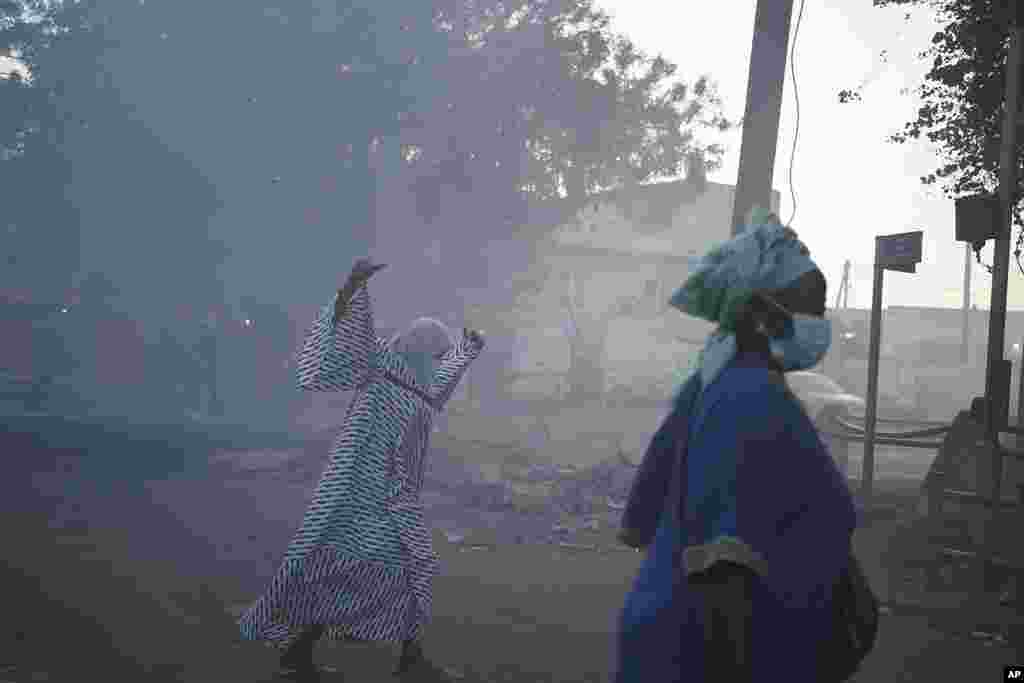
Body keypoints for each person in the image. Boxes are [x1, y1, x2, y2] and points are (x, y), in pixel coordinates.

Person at [615, 208, 859, 683]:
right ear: (767, 315)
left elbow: (641, 520)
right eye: (813, 307)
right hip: (704, 659)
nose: (822, 322)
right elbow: (724, 573)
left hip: (664, 643)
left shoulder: (713, 382)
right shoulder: (751, 398)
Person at [237, 258, 486, 681]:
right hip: (360, 498)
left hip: (392, 501)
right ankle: (391, 658)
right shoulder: (378, 374)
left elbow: (442, 380)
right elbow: (344, 341)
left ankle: (327, 653)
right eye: (439, 352)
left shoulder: (418, 387)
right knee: (373, 569)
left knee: (386, 569)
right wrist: (352, 286)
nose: (440, 361)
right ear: (420, 351)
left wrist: (468, 349)